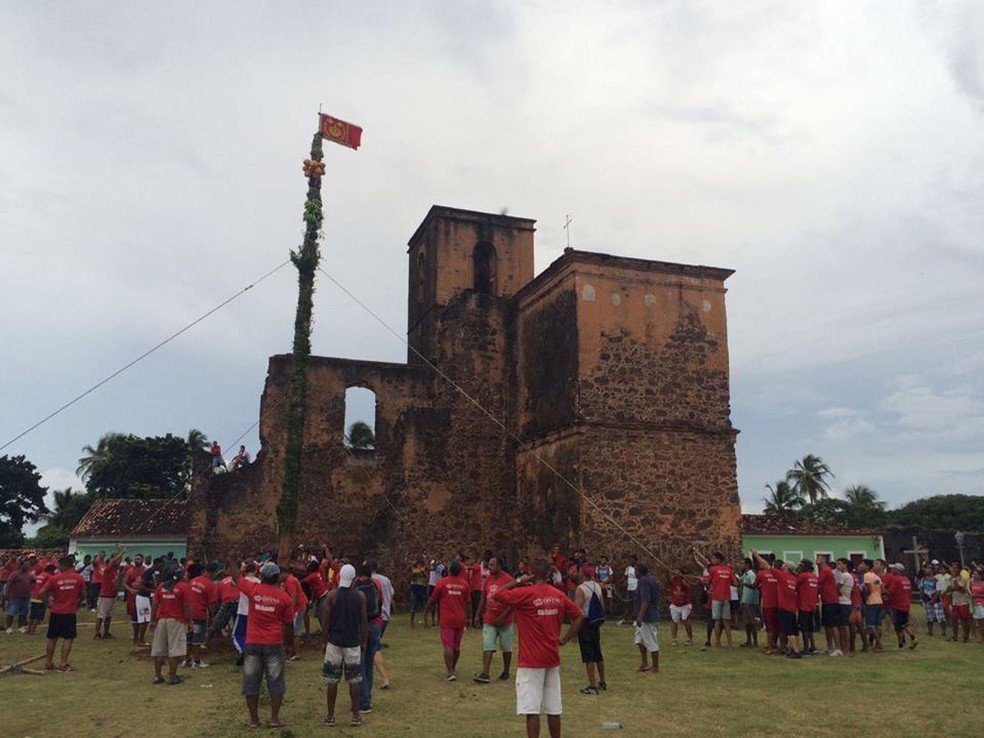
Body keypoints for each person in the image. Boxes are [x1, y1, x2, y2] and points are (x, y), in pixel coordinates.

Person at [493, 558, 585, 738]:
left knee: (532, 709)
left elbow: (497, 592)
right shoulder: (558, 595)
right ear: (550, 574)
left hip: (530, 660)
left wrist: (520, 580)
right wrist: (565, 638)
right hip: (551, 657)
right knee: (554, 708)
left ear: (532, 573)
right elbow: (579, 615)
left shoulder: (525, 593)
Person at [231, 559, 294, 729]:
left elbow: (237, 577)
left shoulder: (253, 589)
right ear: (277, 578)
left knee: (251, 681)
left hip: (252, 643)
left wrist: (232, 560)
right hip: (274, 643)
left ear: (262, 576)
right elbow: (289, 625)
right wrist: (289, 646)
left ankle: (253, 719)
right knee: (276, 681)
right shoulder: (284, 598)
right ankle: (274, 718)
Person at [320, 563, 369, 728]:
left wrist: (323, 641)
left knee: (332, 681)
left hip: (334, 642)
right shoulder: (360, 596)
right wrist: (364, 642)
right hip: (353, 643)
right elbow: (364, 622)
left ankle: (330, 716)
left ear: (340, 576)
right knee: (354, 680)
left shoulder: (332, 596)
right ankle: (356, 715)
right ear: (354, 579)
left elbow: (326, 622)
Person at [424, 559, 471, 681]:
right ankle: (453, 667)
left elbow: (433, 600)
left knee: (448, 646)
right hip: (460, 619)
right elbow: (469, 603)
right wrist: (469, 618)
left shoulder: (442, 583)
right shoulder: (465, 584)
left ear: (449, 570)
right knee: (456, 647)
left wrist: (426, 611)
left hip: (447, 620)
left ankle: (450, 672)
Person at [39, 556, 86, 672]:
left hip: (56, 611)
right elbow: (84, 594)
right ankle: (63, 663)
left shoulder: (54, 578)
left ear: (62, 565)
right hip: (69, 612)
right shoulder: (79, 578)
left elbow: (42, 592)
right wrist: (77, 602)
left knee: (52, 638)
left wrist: (48, 604)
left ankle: (48, 663)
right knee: (68, 638)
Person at [474, 554, 515, 684]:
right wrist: (477, 614)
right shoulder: (488, 579)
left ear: (499, 566)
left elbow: (514, 602)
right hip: (490, 619)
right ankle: (485, 673)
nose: (489, 567)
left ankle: (506, 671)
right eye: (489, 564)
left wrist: (503, 616)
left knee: (506, 647)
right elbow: (483, 597)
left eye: (492, 565)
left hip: (505, 620)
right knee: (488, 645)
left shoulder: (508, 580)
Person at [150, 569, 191, 685]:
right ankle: (172, 677)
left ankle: (158, 676)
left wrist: (152, 620)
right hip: (176, 620)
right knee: (175, 649)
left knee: (159, 649)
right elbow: (186, 605)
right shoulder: (183, 587)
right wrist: (190, 621)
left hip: (161, 620)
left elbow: (155, 603)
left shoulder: (161, 586)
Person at [354, 563, 384, 714]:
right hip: (376, 624)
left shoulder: (356, 584)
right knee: (369, 662)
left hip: (362, 626)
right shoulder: (376, 584)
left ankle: (364, 702)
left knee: (360, 662)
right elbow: (381, 602)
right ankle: (368, 697)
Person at [693, 549, 736, 648]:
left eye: (713, 558)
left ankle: (718, 643)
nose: (711, 560)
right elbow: (736, 583)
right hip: (726, 598)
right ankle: (730, 644)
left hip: (716, 597)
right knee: (726, 622)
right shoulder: (729, 570)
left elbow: (708, 582)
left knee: (716, 621)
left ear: (718, 559)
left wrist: (701, 579)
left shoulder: (713, 569)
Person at [573, 567, 606, 693]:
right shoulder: (597, 586)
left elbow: (577, 609)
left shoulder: (581, 589)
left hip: (585, 622)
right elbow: (602, 606)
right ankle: (602, 681)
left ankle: (592, 685)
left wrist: (574, 628)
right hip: (595, 621)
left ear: (583, 574)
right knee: (598, 652)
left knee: (588, 656)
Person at [187, 562, 219, 667]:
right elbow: (211, 604)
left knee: (189, 638)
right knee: (197, 639)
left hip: (188, 614)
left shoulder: (193, 580)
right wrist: (212, 616)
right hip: (199, 614)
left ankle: (186, 660)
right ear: (214, 573)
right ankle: (197, 662)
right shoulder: (211, 585)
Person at [632, 563, 660, 673]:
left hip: (647, 616)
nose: (634, 573)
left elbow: (646, 600)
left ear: (639, 571)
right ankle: (644, 663)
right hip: (644, 615)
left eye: (635, 570)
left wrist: (640, 616)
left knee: (651, 641)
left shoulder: (644, 582)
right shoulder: (648, 580)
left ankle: (655, 667)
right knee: (639, 640)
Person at [95, 544, 127, 640]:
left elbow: (118, 560)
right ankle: (97, 633)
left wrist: (118, 550)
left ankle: (106, 632)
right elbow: (113, 561)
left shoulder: (115, 570)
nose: (116, 563)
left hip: (113, 595)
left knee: (109, 616)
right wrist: (122, 551)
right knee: (101, 615)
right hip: (105, 595)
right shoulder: (107, 569)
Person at [753, 554, 780, 654]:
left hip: (767, 604)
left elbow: (755, 585)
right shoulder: (779, 573)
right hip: (779, 603)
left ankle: (770, 647)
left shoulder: (762, 574)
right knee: (777, 626)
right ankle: (776, 645)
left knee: (769, 627)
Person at [859, 559, 884, 651]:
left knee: (871, 624)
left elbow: (868, 589)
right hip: (879, 600)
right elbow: (882, 588)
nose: (860, 565)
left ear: (867, 566)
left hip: (871, 601)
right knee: (878, 624)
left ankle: (879, 644)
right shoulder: (877, 577)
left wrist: (863, 592)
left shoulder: (867, 575)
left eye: (862, 564)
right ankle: (877, 644)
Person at [122, 554, 147, 645]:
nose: (136, 560)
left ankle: (141, 638)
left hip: (143, 597)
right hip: (132, 598)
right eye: (135, 559)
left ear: (142, 560)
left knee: (144, 618)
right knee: (134, 617)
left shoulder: (145, 570)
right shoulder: (130, 570)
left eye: (138, 559)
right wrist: (130, 590)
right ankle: (135, 637)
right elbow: (124, 582)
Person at [795, 559, 819, 655]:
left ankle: (806, 649)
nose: (800, 568)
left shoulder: (803, 576)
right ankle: (812, 646)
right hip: (812, 605)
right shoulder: (814, 577)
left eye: (801, 566)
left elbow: (795, 586)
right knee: (810, 628)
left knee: (804, 628)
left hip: (803, 605)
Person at [5, 559, 34, 633]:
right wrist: (7, 595)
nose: (27, 566)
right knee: (11, 612)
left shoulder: (29, 574)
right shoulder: (14, 574)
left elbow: (32, 582)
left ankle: (20, 627)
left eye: (28, 564)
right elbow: (8, 584)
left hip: (26, 596)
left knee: (23, 612)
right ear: (21, 565)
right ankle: (8, 627)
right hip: (15, 596)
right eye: (25, 564)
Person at [27, 563, 56, 636]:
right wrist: (46, 602)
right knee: (38, 616)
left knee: (32, 615)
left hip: (34, 597)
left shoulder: (40, 574)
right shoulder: (48, 576)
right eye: (53, 571)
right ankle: (33, 630)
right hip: (41, 598)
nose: (54, 573)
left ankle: (28, 629)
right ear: (51, 570)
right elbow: (48, 588)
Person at [667, 571, 694, 646]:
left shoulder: (684, 581)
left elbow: (690, 586)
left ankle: (690, 639)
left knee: (685, 619)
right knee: (674, 620)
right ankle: (674, 639)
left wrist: (683, 580)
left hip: (685, 604)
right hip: (675, 604)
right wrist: (669, 573)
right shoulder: (672, 581)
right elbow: (667, 578)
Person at [738, 558, 759, 649]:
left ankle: (754, 641)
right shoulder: (745, 574)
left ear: (747, 565)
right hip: (745, 600)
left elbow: (755, 585)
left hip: (750, 601)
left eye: (742, 563)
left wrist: (747, 585)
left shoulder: (751, 574)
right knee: (747, 622)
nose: (740, 565)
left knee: (751, 622)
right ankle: (748, 640)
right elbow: (739, 580)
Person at [409, 559, 429, 628]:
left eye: (421, 564)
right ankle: (411, 623)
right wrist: (415, 573)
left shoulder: (424, 571)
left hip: (422, 588)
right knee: (413, 606)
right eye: (418, 564)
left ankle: (426, 623)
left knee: (424, 606)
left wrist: (423, 573)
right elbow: (412, 578)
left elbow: (426, 579)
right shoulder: (414, 570)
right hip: (415, 589)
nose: (419, 566)